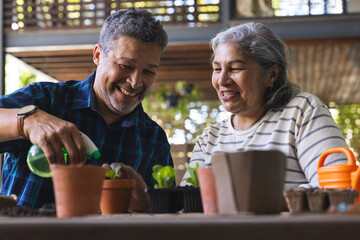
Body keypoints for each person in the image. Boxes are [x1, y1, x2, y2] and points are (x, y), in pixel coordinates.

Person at [0, 8, 173, 211]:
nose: (135, 82)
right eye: (126, 66)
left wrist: (145, 206)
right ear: (98, 55)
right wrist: (27, 122)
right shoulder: (47, 99)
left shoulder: (153, 140)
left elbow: (167, 215)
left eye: (149, 72)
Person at [181, 22, 348, 190]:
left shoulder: (302, 111)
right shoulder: (209, 139)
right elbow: (187, 206)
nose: (222, 80)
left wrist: (264, 203)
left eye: (235, 68)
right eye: (217, 69)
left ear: (271, 75)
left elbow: (338, 189)